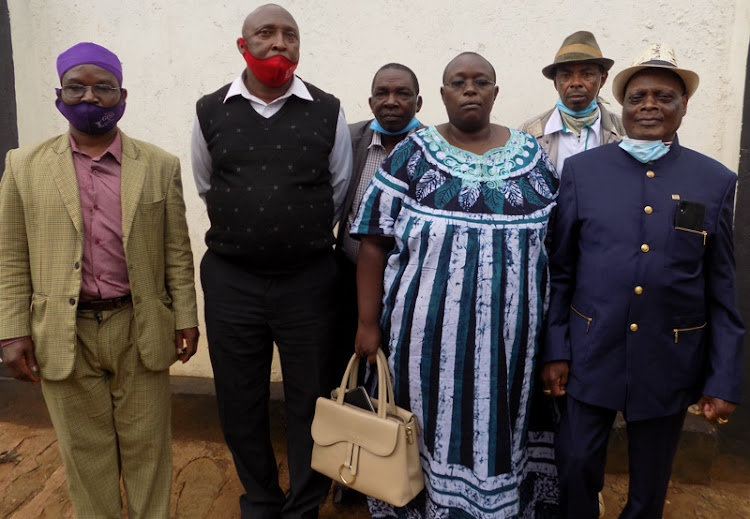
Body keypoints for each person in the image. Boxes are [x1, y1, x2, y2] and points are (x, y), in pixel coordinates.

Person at [542, 43, 745, 519]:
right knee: (573, 465)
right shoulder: (582, 173)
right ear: (623, 106)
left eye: (663, 96)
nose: (649, 105)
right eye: (638, 97)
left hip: (669, 356)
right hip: (592, 348)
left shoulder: (714, 180)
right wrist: (556, 348)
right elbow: (562, 268)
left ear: (684, 107)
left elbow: (722, 287)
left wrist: (724, 377)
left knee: (649, 485)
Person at [352, 52, 560, 518]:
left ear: (495, 92)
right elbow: (371, 243)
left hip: (513, 350)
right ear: (442, 94)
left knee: (502, 434)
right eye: (458, 82)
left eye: (480, 81)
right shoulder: (411, 155)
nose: (470, 89)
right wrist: (368, 323)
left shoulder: (531, 159)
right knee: (422, 433)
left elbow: (557, 247)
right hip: (423, 348)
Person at [0, 42, 199, 518]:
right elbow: (10, 256)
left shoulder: (159, 164)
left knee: (148, 450)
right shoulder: (23, 166)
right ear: (59, 94)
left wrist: (186, 318)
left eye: (102, 87)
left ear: (121, 94)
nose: (89, 97)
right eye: (77, 87)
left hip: (139, 325)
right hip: (62, 333)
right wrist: (12, 330)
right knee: (85, 455)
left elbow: (176, 251)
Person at [190, 4, 352, 518]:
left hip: (309, 281)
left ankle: (304, 505)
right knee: (240, 400)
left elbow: (338, 187)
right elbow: (206, 183)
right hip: (232, 280)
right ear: (244, 45)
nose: (279, 42)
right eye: (266, 33)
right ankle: (260, 499)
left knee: (312, 400)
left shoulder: (327, 109)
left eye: (290, 34)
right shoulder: (210, 109)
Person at [333, 63, 422, 385]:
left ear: (418, 103)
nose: (391, 101)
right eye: (382, 93)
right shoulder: (349, 139)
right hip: (348, 277)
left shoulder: (432, 150)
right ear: (371, 102)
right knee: (345, 362)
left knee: (396, 369)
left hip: (406, 282)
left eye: (402, 93)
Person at [520, 31, 624, 174]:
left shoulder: (623, 132)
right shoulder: (528, 134)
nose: (576, 83)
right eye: (566, 76)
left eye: (586, 75)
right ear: (555, 82)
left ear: (603, 79)